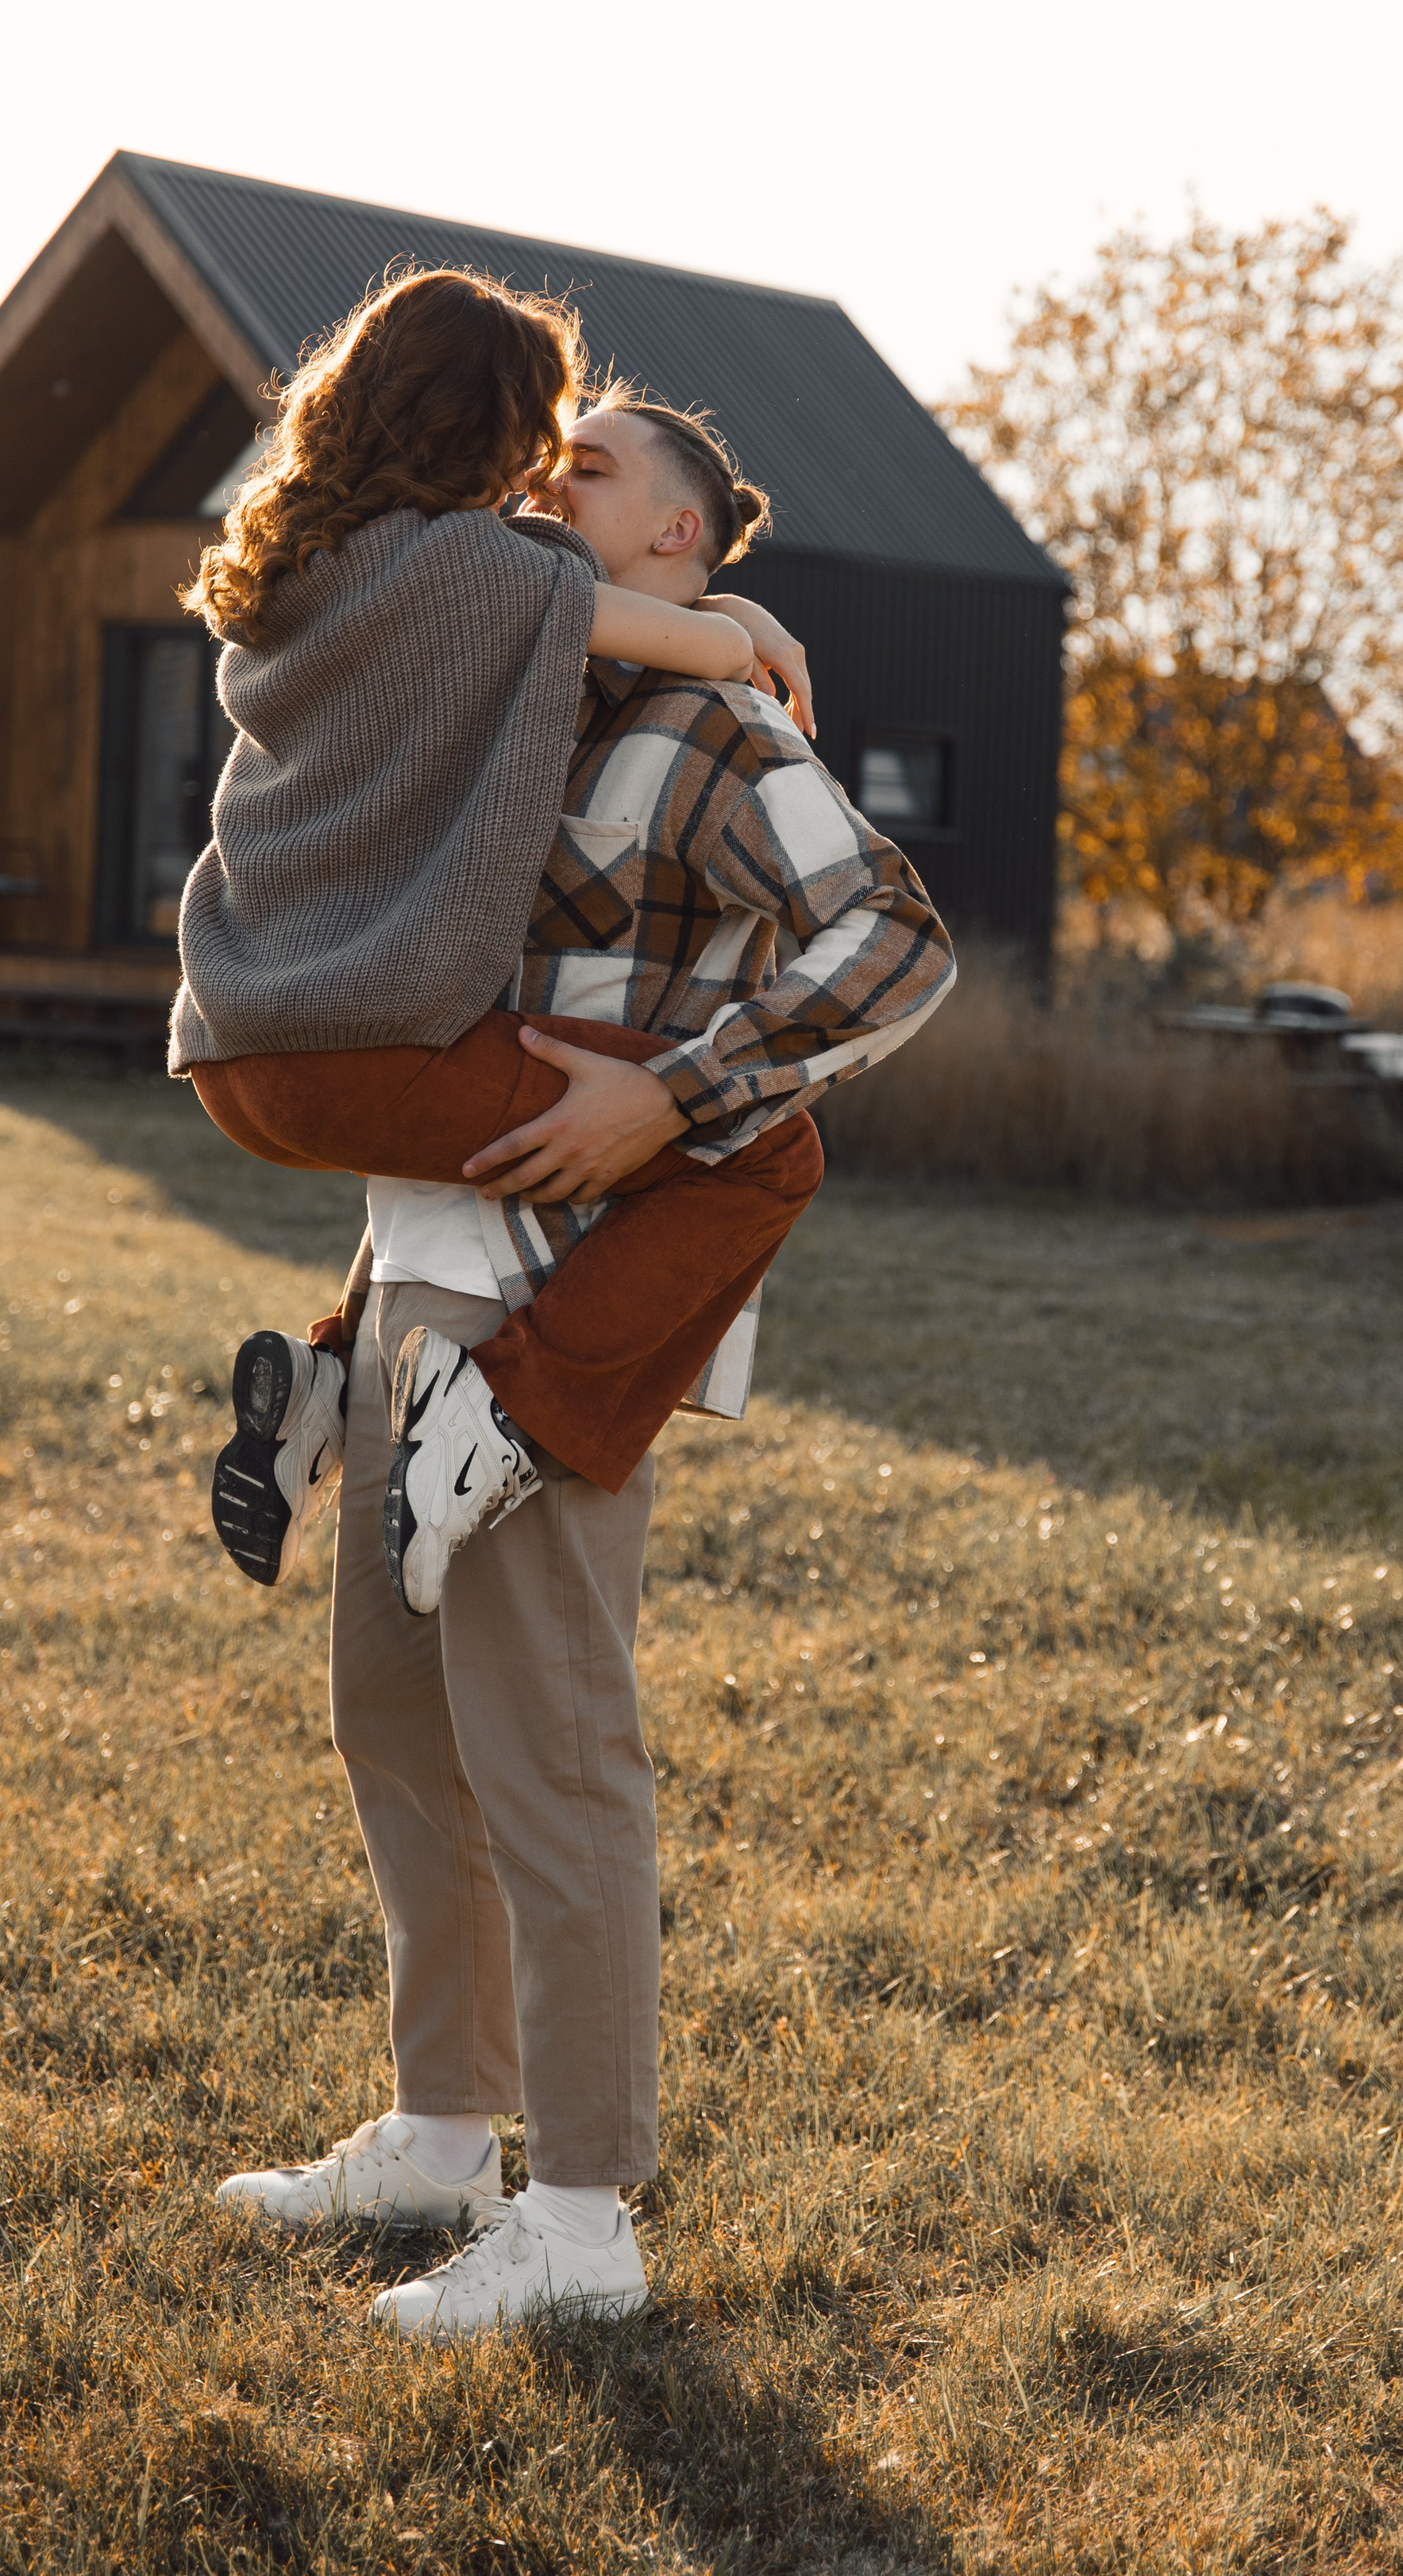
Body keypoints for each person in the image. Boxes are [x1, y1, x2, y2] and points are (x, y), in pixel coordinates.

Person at [213, 395, 956, 2335]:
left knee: (548, 1752)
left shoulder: (713, 727)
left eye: (597, 463)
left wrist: (671, 1099)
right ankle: (440, 2133)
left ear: (685, 539)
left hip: (562, 1309)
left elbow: (894, 944)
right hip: (413, 1279)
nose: (551, 472)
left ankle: (582, 2223)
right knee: (397, 1729)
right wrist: (344, 1319)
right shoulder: (502, 701)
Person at [168, 269, 823, 1611]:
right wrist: (752, 622)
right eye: (544, 429)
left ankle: (321, 1390)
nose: (547, 467)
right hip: (367, 1049)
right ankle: (507, 1418)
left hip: (234, 1053)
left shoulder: (291, 570)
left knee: (477, 1134)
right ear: (496, 424)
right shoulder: (488, 572)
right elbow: (692, 649)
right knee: (762, 1150)